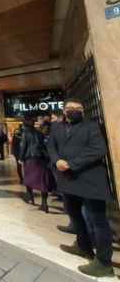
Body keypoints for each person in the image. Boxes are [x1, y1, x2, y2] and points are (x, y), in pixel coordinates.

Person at [48, 98, 114, 278]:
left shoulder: (92, 127)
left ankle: (104, 263)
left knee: (99, 222)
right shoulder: (57, 128)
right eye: (71, 108)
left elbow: (98, 149)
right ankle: (83, 247)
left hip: (90, 180)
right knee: (74, 215)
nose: (74, 110)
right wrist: (56, 160)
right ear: (64, 110)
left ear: (83, 111)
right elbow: (51, 146)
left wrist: (71, 164)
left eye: (78, 108)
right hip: (67, 180)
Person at [19, 117, 56, 213]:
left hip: (30, 157)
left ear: (25, 124)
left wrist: (20, 157)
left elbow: (23, 146)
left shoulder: (25, 133)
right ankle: (44, 203)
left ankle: (30, 197)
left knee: (28, 177)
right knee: (43, 179)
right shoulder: (40, 133)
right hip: (41, 157)